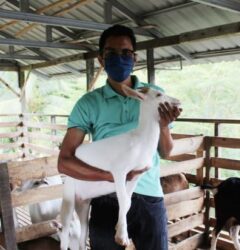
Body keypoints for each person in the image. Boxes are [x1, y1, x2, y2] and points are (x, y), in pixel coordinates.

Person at [58, 24, 182, 250]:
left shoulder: (154, 94)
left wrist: (163, 126)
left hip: (149, 195)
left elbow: (166, 151)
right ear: (101, 59)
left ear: (134, 58)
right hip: (106, 197)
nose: (119, 58)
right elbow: (64, 161)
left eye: (125, 53)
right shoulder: (88, 103)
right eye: (111, 53)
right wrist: (109, 176)